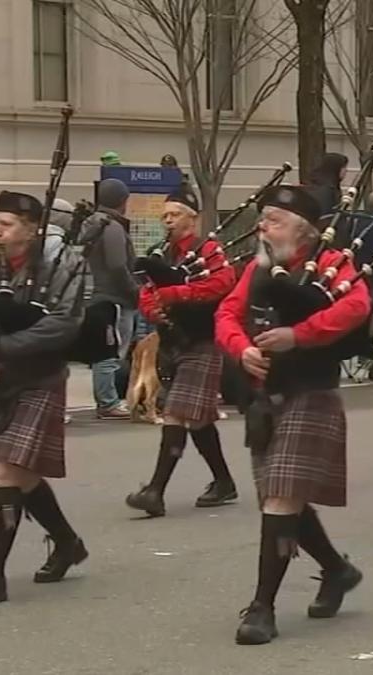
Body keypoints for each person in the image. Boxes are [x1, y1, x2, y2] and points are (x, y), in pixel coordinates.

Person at [214, 185, 371, 645]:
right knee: (281, 501)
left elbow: (356, 308)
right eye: (262, 218)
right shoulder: (257, 268)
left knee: (280, 499)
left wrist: (299, 335)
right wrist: (242, 350)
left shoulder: (332, 264)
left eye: (274, 220)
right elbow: (226, 313)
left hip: (311, 392)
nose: (263, 226)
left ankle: (262, 606)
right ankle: (338, 570)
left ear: (303, 230)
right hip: (265, 396)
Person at [0, 190, 89, 606]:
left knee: (4, 472)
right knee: (23, 477)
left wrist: (8, 348)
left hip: (39, 381)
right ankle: (67, 543)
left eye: (5, 225)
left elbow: (64, 325)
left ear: (31, 229)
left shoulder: (63, 269)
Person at [125, 186, 238, 517]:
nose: (168, 221)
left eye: (174, 214)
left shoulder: (211, 251)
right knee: (198, 419)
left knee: (176, 412)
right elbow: (146, 290)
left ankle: (155, 491)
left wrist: (175, 294)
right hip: (172, 343)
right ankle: (224, 481)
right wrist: (152, 309)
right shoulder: (162, 252)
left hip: (203, 341)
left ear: (193, 217)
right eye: (165, 216)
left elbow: (221, 284)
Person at [80, 179, 139, 419]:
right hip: (113, 298)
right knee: (110, 351)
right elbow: (117, 265)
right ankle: (108, 402)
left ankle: (107, 399)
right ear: (123, 201)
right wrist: (134, 291)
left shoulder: (91, 224)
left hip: (94, 295)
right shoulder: (113, 227)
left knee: (102, 350)